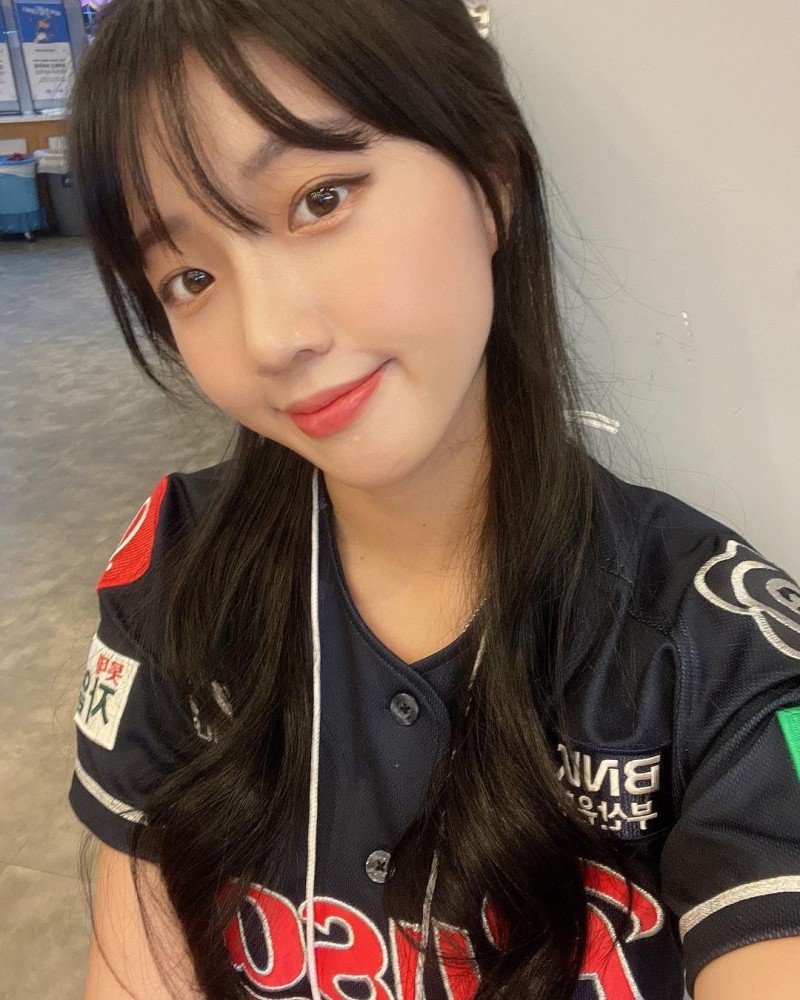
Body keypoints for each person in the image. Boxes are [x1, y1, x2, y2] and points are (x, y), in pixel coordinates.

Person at [64, 1, 800, 998]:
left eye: (320, 199)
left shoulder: (712, 649)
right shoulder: (178, 576)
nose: (270, 337)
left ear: (490, 178)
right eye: (191, 276)